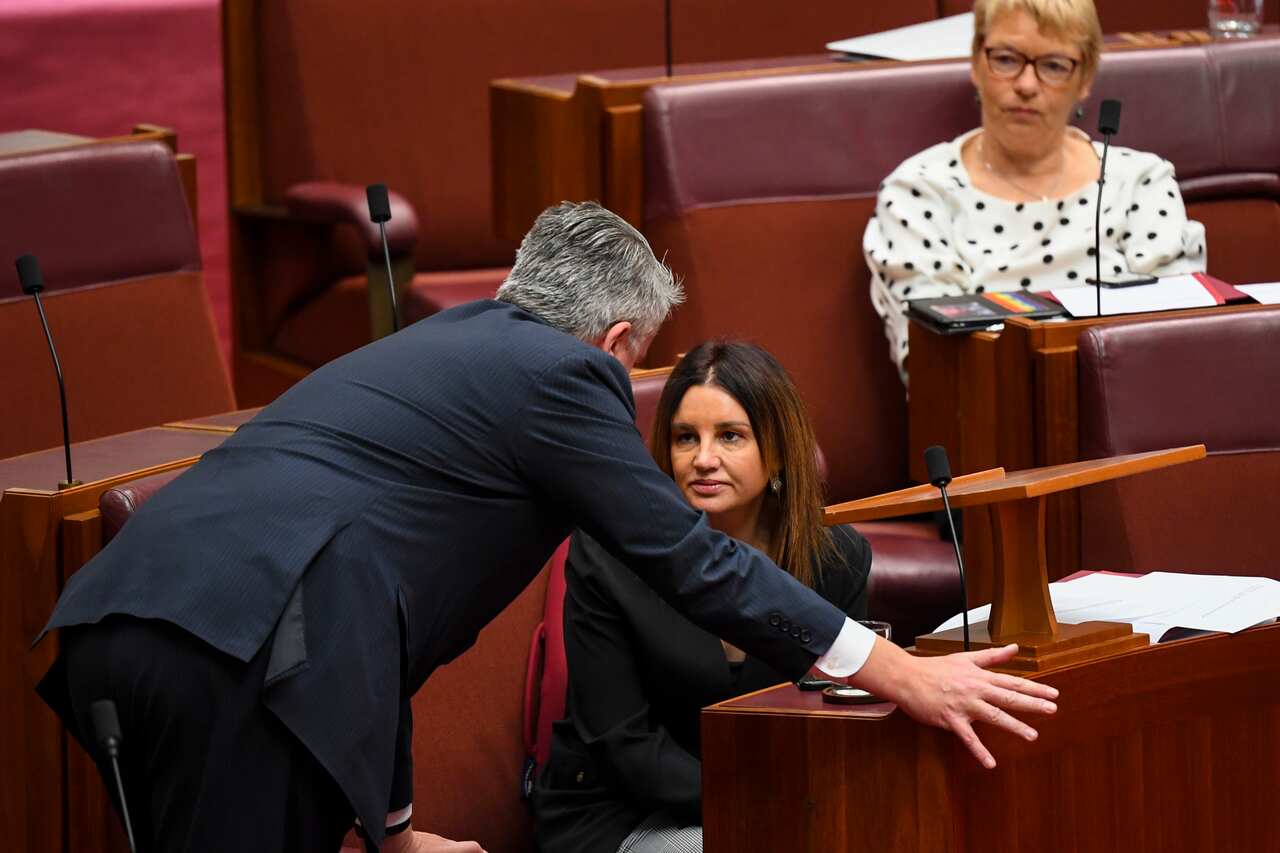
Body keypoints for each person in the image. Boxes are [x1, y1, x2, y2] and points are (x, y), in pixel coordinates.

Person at [35, 202, 1056, 853]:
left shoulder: (439, 351)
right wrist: (893, 666)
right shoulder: (560, 376)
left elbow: (373, 596)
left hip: (123, 621)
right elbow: (692, 560)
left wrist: (389, 835)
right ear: (616, 344)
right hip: (239, 655)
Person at [533, 340, 872, 853]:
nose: (703, 459)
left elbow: (834, 715)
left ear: (778, 450)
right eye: (685, 438)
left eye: (731, 437)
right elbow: (622, 743)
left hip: (778, 807)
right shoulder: (607, 555)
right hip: (622, 813)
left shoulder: (837, 559)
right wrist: (761, 805)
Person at [863, 0, 1207, 381]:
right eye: (1007, 59)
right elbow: (935, 367)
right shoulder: (919, 191)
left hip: (1133, 421)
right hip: (986, 423)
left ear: (1086, 78)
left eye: (1054, 66)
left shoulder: (1141, 181)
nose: (1026, 85)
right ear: (977, 61)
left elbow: (1175, 342)